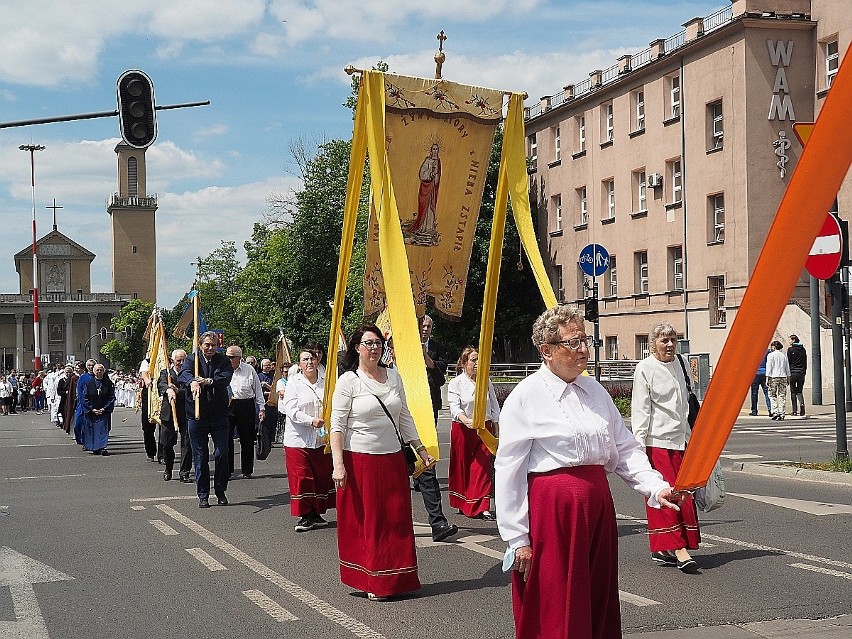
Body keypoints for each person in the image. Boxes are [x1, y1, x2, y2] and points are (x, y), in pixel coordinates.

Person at [495, 305, 679, 639]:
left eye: (585, 340)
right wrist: (517, 537)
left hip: (597, 505)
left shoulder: (594, 391)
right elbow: (509, 468)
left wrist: (655, 486)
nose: (584, 349)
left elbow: (623, 447)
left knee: (597, 591)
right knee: (558, 593)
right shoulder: (526, 396)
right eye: (574, 342)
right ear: (547, 350)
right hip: (553, 510)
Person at [330, 325, 435, 601]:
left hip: (391, 459)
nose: (374, 348)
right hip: (361, 460)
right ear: (357, 348)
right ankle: (372, 580)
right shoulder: (349, 381)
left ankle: (397, 578)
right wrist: (338, 465)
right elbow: (337, 426)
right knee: (370, 522)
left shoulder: (393, 376)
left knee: (396, 520)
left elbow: (405, 416)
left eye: (378, 343)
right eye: (368, 343)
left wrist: (421, 449)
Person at [631, 323, 701, 572]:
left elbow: (686, 402)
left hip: (682, 442)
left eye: (672, 339)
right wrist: (639, 451)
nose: (670, 345)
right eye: (664, 340)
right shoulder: (645, 369)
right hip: (657, 444)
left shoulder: (681, 363)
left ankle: (664, 548)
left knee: (685, 494)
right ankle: (678, 549)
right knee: (667, 495)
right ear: (653, 344)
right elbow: (640, 410)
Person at [415, 314, 458, 542]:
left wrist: (428, 360)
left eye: (428, 326)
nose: (425, 329)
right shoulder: (397, 346)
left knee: (427, 463)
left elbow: (441, 378)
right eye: (422, 324)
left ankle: (438, 522)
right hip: (400, 413)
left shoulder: (438, 348)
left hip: (427, 409)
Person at [179, 331, 234, 508]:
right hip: (196, 415)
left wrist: (208, 381)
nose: (210, 348)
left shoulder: (223, 360)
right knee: (200, 455)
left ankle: (220, 490)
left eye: (213, 345)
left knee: (221, 453)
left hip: (218, 414)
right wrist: (193, 382)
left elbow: (225, 378)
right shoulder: (191, 359)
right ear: (200, 345)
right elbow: (183, 375)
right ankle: (203, 494)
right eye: (207, 345)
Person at [283, 347, 335, 531]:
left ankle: (316, 514)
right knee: (302, 477)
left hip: (321, 440)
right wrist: (310, 421)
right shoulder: (294, 383)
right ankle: (305, 516)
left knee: (321, 477)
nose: (309, 362)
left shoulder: (326, 381)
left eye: (312, 358)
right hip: (298, 440)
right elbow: (291, 410)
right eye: (305, 359)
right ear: (299, 364)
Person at [447, 346, 500, 520]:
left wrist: (497, 432)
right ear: (464, 363)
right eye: (473, 360)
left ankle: (483, 507)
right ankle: (464, 502)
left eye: (479, 360)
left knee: (482, 467)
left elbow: (494, 407)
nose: (477, 364)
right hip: (463, 430)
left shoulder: (486, 381)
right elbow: (454, 407)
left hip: (484, 429)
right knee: (463, 468)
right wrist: (465, 420)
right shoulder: (456, 383)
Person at [226, 345, 266, 479]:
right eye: (227, 356)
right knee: (226, 438)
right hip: (228, 405)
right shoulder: (223, 368)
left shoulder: (249, 370)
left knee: (247, 438)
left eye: (231, 357)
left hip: (246, 404)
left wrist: (261, 408)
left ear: (239, 358)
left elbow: (258, 390)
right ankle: (228, 469)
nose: (229, 359)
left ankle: (247, 470)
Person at [157, 349, 192, 482]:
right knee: (166, 444)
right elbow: (161, 384)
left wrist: (179, 391)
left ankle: (184, 472)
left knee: (187, 444)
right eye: (178, 360)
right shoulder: (165, 372)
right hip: (168, 414)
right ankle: (168, 469)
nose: (181, 363)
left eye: (184, 360)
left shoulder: (189, 372)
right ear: (172, 360)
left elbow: (190, 388)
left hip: (186, 412)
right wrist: (168, 389)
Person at [81, 364, 115, 456]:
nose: (99, 372)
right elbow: (84, 397)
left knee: (103, 429)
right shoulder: (88, 383)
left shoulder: (108, 384)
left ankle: (102, 447)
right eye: (97, 370)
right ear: (94, 371)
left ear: (103, 372)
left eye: (101, 370)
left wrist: (104, 408)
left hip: (103, 411)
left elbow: (111, 397)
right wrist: (92, 409)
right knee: (92, 430)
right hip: (92, 411)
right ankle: (93, 447)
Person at [766, 340, 790, 420]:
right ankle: (782, 413)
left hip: (773, 377)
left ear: (774, 347)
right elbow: (787, 367)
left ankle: (775, 411)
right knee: (782, 395)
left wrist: (767, 377)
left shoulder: (770, 355)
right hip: (783, 376)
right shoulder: (784, 355)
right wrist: (788, 377)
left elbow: (769, 367)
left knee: (772, 395)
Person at [73, 360, 96, 444]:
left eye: (93, 365)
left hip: (95, 404)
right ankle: (80, 440)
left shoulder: (99, 377)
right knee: (78, 424)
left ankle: (89, 441)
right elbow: (79, 392)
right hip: (82, 404)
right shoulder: (83, 378)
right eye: (89, 365)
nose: (91, 367)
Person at [787, 334, 807, 416]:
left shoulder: (790, 350)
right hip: (801, 372)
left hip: (793, 372)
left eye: (790, 340)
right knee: (799, 391)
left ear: (793, 340)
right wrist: (804, 371)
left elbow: (788, 362)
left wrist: (788, 374)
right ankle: (802, 406)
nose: (789, 341)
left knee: (793, 392)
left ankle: (794, 410)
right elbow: (805, 362)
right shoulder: (803, 350)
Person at [749, 348, 772, 416]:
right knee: (767, 392)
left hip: (755, 374)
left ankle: (754, 410)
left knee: (754, 393)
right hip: (765, 373)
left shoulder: (752, 351)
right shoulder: (767, 351)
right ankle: (770, 409)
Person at [274, 362, 291, 444]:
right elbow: (282, 393)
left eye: (289, 371)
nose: (287, 374)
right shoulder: (281, 382)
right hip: (283, 410)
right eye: (285, 372)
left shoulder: (295, 381)